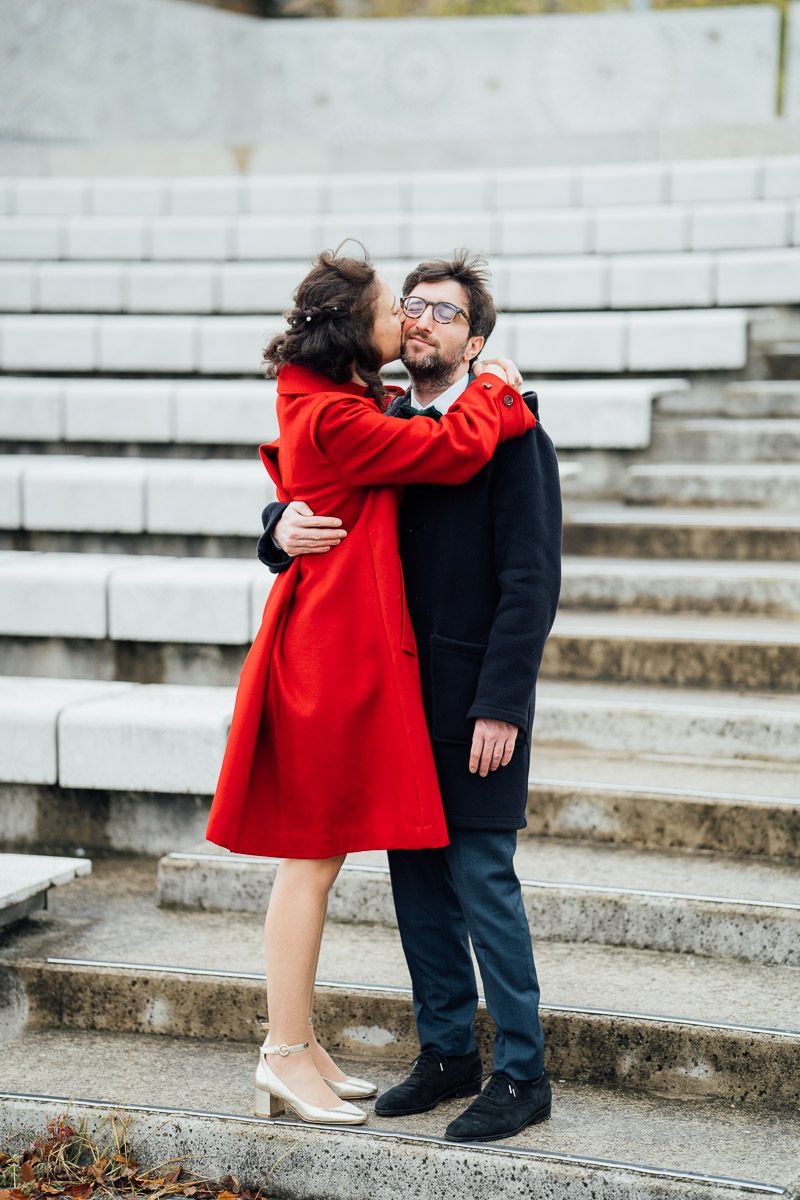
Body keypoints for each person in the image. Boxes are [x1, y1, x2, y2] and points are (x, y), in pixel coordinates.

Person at [204, 246, 535, 1129]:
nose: (415, 319)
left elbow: (529, 580)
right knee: (356, 867)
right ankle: (335, 1051)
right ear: (365, 331)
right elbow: (372, 457)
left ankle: (505, 1071)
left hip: (422, 677)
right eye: (404, 306)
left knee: (463, 873)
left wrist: (502, 702)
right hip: (351, 662)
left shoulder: (375, 405)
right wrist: (280, 527)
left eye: (437, 311)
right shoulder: (368, 412)